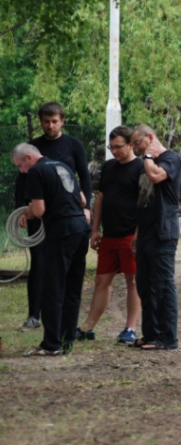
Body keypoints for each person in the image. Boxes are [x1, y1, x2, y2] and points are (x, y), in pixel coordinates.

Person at [15, 102, 92, 331]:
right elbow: (22, 179)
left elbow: (84, 178)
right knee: (38, 261)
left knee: (65, 267)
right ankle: (34, 315)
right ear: (41, 122)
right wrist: (21, 209)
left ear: (62, 121)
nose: (50, 126)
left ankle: (64, 323)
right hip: (38, 212)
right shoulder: (32, 149)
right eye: (46, 122)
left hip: (65, 214)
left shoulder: (73, 145)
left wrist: (87, 207)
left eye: (54, 121)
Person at [12, 143, 90, 356]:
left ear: (29, 157)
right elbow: (82, 199)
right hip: (81, 228)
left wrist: (29, 210)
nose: (21, 171)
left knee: (52, 288)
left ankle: (51, 344)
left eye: (20, 165)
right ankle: (66, 341)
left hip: (62, 231)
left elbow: (39, 209)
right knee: (72, 288)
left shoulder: (36, 171)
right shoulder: (62, 166)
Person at [75, 126, 143, 344]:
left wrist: (137, 234)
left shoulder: (141, 167)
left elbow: (145, 203)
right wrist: (95, 230)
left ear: (131, 144)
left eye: (119, 147)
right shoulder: (108, 167)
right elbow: (101, 198)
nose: (114, 151)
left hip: (129, 235)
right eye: (111, 147)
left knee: (133, 281)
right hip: (109, 235)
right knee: (101, 280)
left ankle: (130, 328)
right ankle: (88, 327)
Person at [130, 125, 181, 351]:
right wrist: (136, 234)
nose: (135, 149)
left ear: (149, 138)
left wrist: (149, 154)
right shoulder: (145, 163)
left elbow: (156, 176)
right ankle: (150, 334)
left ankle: (168, 338)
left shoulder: (171, 158)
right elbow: (143, 201)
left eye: (137, 144)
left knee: (162, 285)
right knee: (144, 284)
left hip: (164, 231)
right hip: (145, 233)